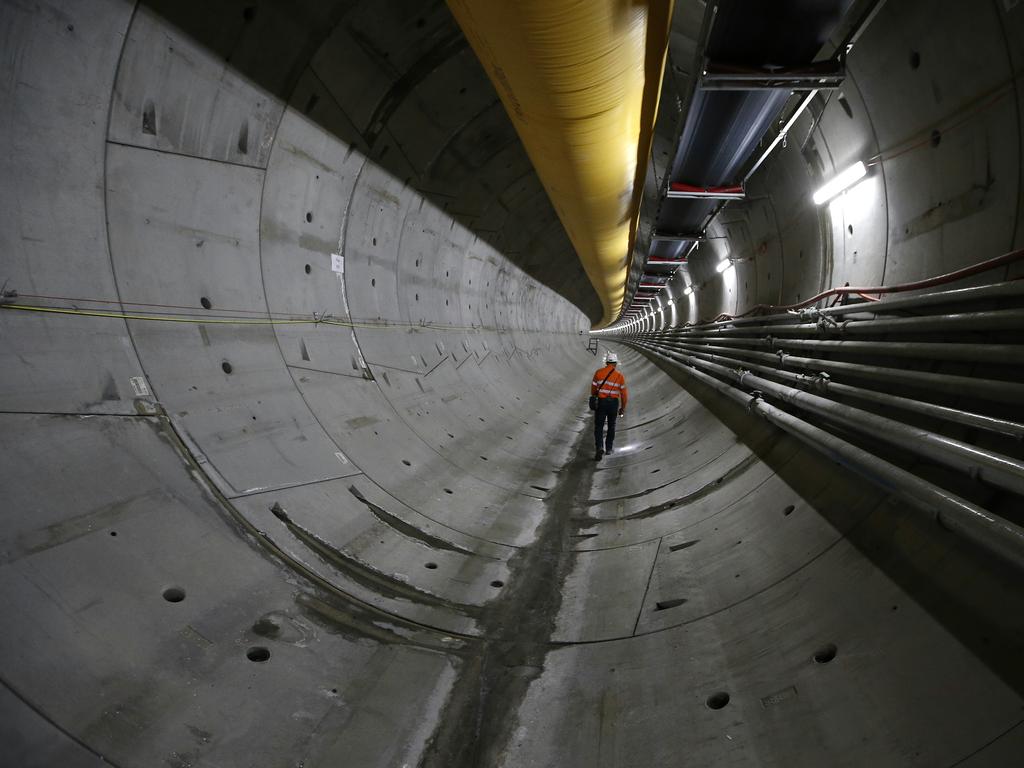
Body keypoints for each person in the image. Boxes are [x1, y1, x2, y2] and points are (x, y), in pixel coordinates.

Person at [591, 352, 627, 460]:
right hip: (613, 403)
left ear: (606, 362)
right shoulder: (620, 376)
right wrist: (622, 408)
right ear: (615, 363)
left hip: (601, 402)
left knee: (599, 426)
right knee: (611, 425)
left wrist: (595, 396)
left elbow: (593, 389)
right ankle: (609, 449)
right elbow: (624, 395)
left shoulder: (598, 373)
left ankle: (599, 447)